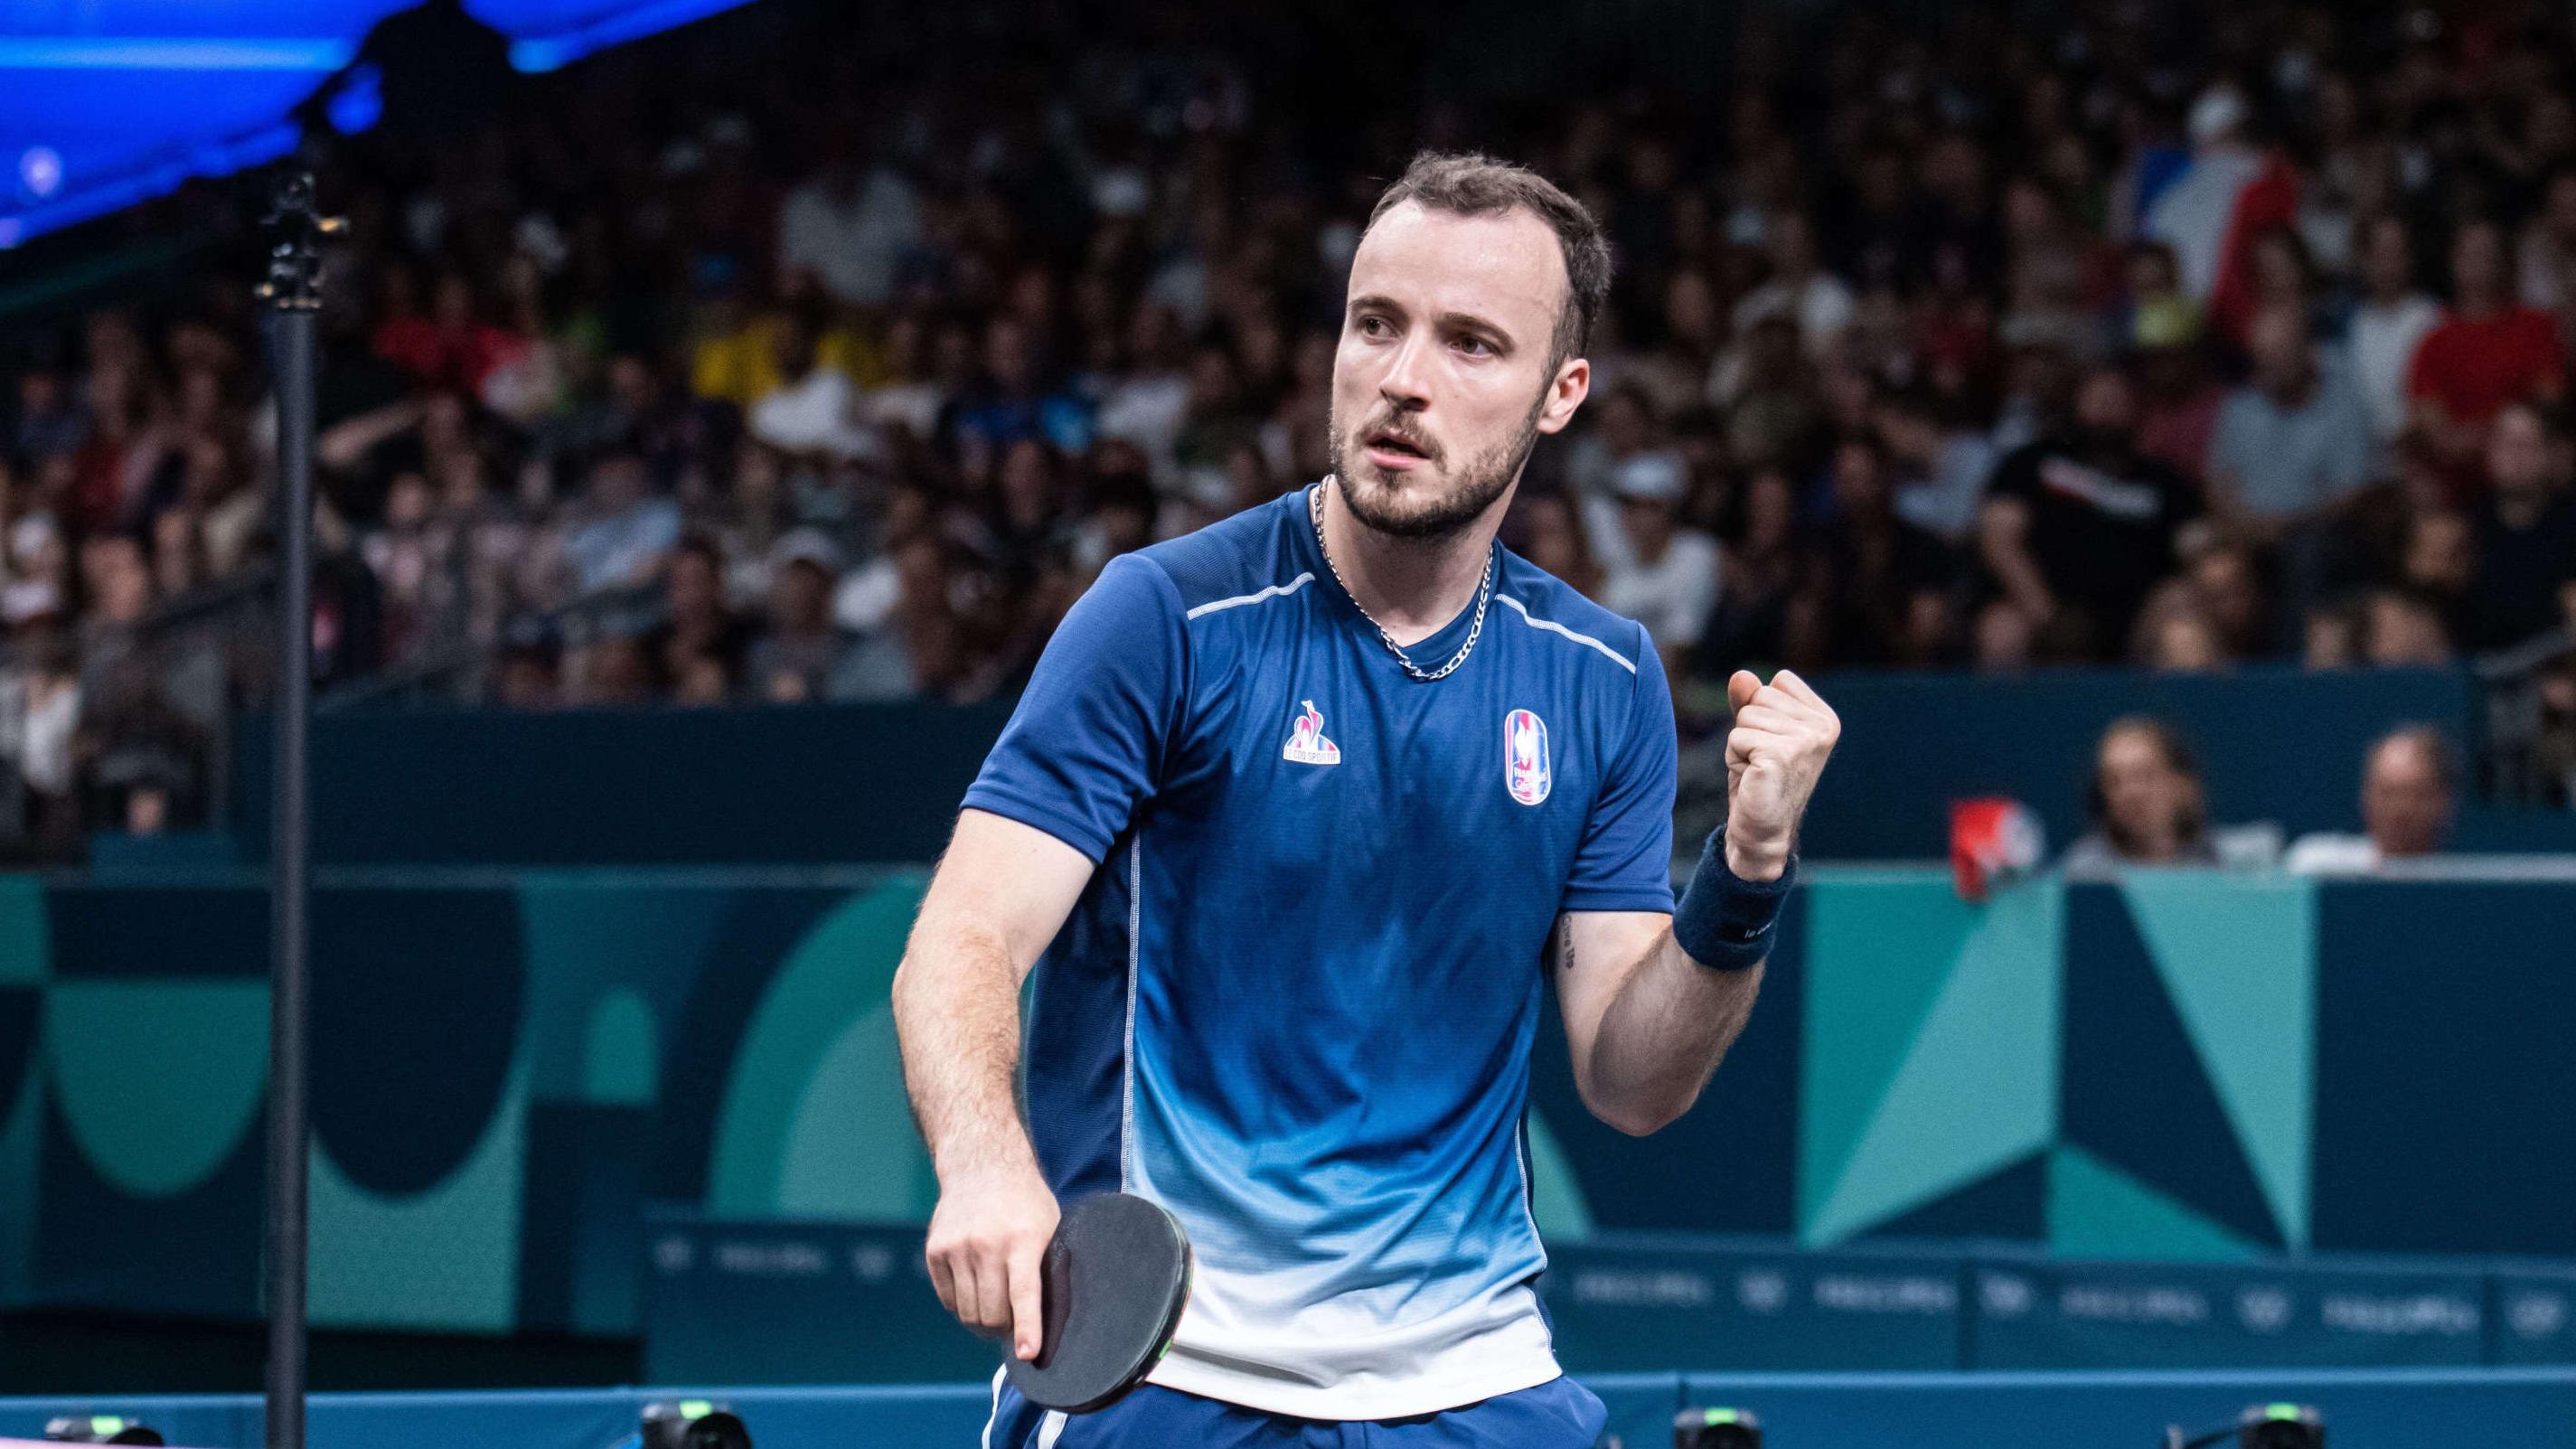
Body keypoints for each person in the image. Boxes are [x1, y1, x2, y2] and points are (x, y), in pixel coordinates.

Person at [893, 153, 1839, 1449]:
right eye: (1376, 323)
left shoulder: (1600, 676)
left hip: (1472, 1368)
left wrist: (1746, 867)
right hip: (1165, 1358)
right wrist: (985, 1158)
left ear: (1560, 393)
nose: (1402, 377)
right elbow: (966, 933)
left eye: (1469, 344)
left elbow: (1632, 1080)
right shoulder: (1166, 619)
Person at [1978, 363, 2202, 660]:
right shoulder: (2032, 464)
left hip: (2138, 622)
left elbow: (2198, 546)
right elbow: (1999, 539)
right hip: (2046, 613)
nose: (2107, 411)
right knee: (2001, 628)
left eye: (2118, 401)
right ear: (2074, 403)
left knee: (2182, 612)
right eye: (2098, 400)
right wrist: (2046, 615)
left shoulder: (2163, 481)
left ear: (2138, 410)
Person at [2284, 726, 2458, 875]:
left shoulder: (2460, 881)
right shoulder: (2314, 866)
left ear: (2444, 799)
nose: (2399, 809)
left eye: (2414, 794)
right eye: (2387, 793)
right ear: (2366, 795)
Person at [2060, 717, 2217, 878]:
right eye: (2115, 781)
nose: (2131, 793)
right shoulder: (2083, 872)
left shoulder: (2236, 863)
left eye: (2145, 775)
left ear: (2182, 784)